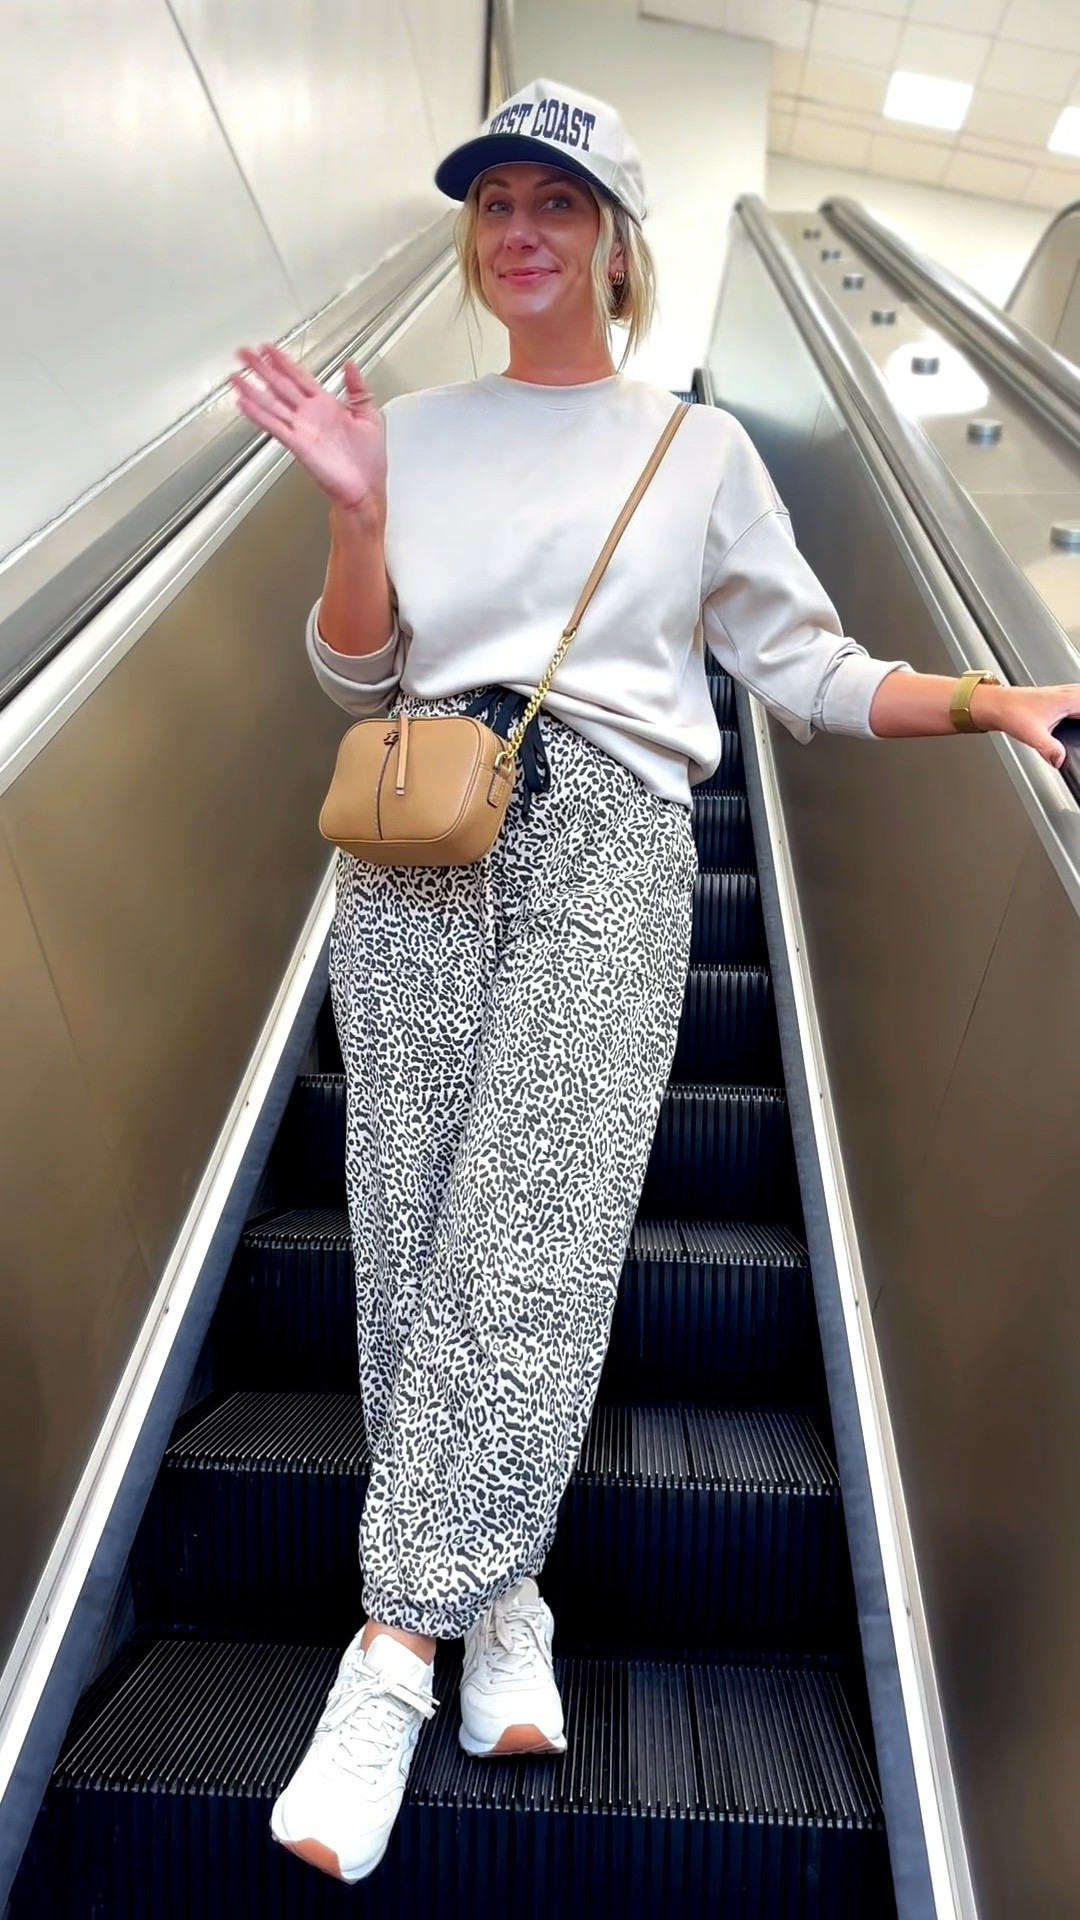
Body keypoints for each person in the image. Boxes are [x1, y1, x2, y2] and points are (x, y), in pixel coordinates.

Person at [230, 76, 1080, 1888]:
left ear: (617, 242)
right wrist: (359, 512)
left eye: (558, 201)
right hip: (418, 828)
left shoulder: (697, 454)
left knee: (537, 1220)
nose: (519, 228)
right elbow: (351, 677)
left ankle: (388, 1656)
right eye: (496, 201)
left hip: (615, 836)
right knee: (410, 1214)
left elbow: (810, 669)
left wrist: (990, 696)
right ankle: (506, 1594)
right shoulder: (420, 430)